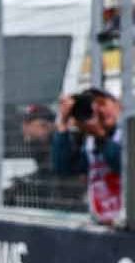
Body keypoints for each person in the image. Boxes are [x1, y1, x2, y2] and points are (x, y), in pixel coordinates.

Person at [53, 87, 123, 226]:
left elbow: (125, 168)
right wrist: (62, 125)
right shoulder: (90, 142)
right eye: (93, 107)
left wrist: (101, 136)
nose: (99, 111)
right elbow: (64, 168)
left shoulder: (126, 132)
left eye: (102, 103)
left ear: (117, 104)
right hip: (102, 225)